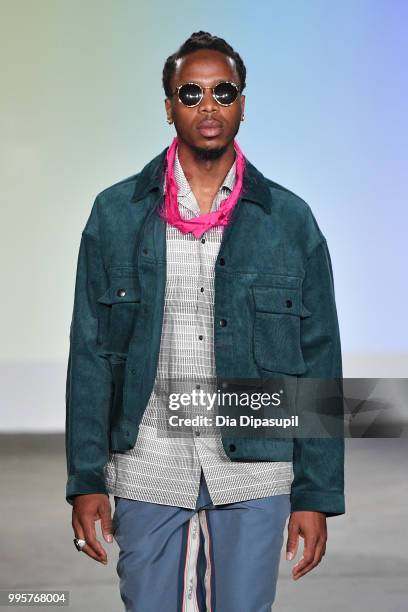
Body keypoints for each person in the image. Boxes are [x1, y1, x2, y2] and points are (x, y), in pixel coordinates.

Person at [66, 31, 345, 611]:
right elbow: (91, 353)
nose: (208, 106)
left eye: (224, 92)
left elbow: (320, 356)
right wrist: (87, 479)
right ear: (168, 106)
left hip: (256, 469)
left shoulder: (289, 221)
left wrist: (315, 493)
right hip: (147, 464)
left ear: (243, 103)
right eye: (190, 93)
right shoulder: (116, 213)